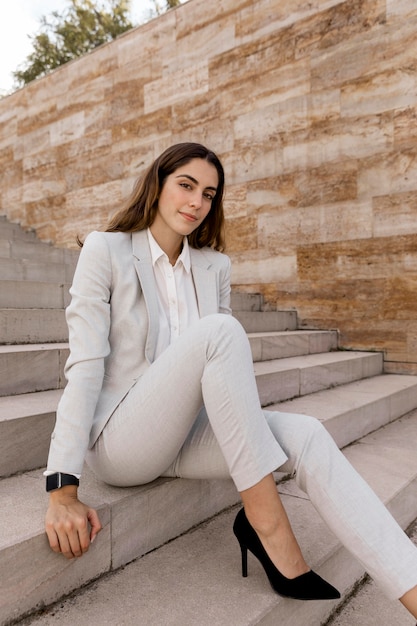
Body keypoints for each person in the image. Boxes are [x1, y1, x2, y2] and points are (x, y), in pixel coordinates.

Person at [45, 142, 417, 614]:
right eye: (185, 185)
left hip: (190, 433)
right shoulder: (107, 250)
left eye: (209, 193)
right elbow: (85, 366)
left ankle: (411, 587)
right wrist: (62, 489)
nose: (197, 202)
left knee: (307, 434)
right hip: (124, 442)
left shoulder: (213, 266)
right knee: (220, 330)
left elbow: (222, 376)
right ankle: (268, 524)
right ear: (157, 184)